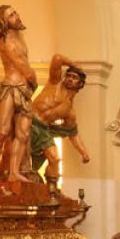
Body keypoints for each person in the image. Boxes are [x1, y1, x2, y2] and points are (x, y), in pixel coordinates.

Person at [0, 5, 38, 183]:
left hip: (24, 90)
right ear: (4, 22)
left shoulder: (20, 37)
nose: (17, 16)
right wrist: (34, 80)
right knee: (3, 132)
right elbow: (24, 67)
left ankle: (14, 172)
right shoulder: (6, 41)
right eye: (11, 15)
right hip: (10, 88)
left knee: (23, 134)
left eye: (16, 12)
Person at [28, 55, 90, 193]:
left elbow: (72, 134)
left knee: (55, 159)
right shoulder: (54, 83)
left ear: (80, 84)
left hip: (42, 130)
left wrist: (84, 153)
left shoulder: (69, 112)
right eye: (69, 75)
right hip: (29, 121)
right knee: (19, 154)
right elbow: (57, 58)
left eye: (75, 78)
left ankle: (51, 190)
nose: (70, 79)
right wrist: (74, 64)